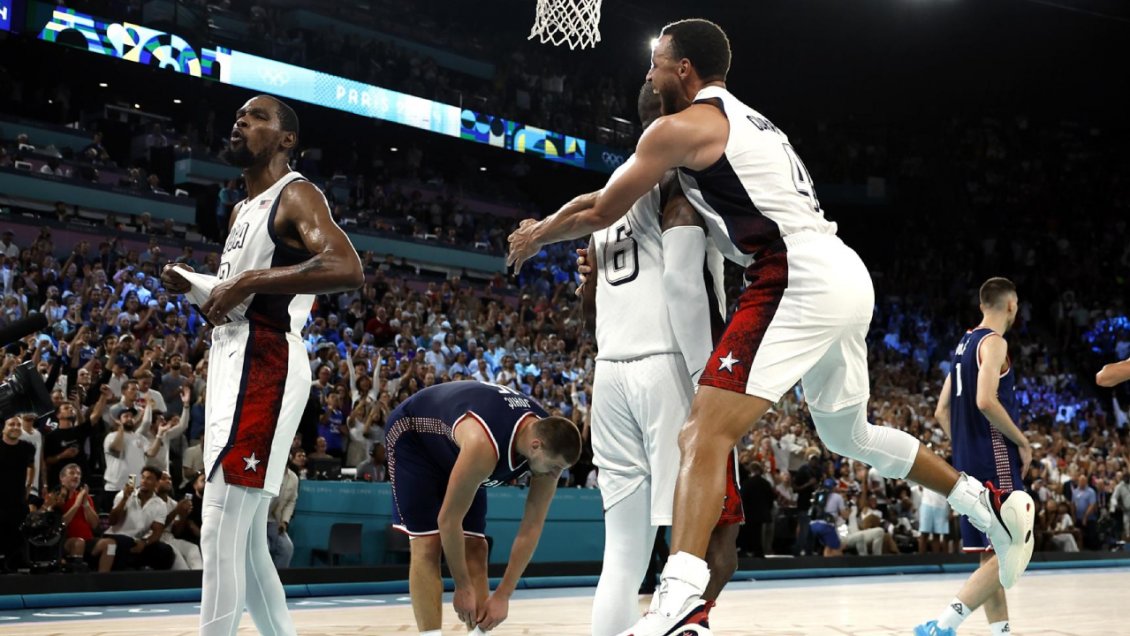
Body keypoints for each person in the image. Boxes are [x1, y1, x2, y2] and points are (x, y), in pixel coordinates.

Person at [506, 19, 1034, 635]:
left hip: (791, 274)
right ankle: (987, 503)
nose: (649, 74)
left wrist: (537, 235)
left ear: (683, 70)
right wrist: (549, 227)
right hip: (843, 271)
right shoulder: (753, 121)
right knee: (849, 434)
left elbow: (601, 207)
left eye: (657, 63)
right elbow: (602, 196)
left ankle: (680, 599)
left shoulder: (682, 128)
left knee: (701, 432)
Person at [161, 94, 363, 636]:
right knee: (247, 542)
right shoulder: (240, 210)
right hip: (235, 354)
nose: (240, 122)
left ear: (286, 139)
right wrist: (200, 285)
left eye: (256, 117)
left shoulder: (296, 193)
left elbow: (347, 266)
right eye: (237, 116)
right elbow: (242, 297)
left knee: (218, 525)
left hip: (266, 358)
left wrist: (248, 281)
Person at [574, 83, 740, 635]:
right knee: (698, 547)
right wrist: (705, 378)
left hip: (610, 370)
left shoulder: (607, 198)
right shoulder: (681, 182)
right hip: (670, 360)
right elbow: (684, 285)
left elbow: (588, 311)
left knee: (621, 557)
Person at [385, 381, 582, 635]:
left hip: (457, 448)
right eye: (555, 467)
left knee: (477, 548)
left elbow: (532, 526)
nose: (557, 475)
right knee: (428, 543)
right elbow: (448, 521)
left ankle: (478, 634)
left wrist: (504, 595)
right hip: (415, 437)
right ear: (535, 446)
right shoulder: (484, 445)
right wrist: (462, 587)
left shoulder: (548, 442)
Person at [916, 278, 1031, 636]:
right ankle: (943, 625)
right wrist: (1023, 442)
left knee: (992, 554)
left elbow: (941, 411)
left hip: (968, 462)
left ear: (982, 305)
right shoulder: (994, 343)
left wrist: (965, 448)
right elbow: (985, 400)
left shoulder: (963, 345)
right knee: (1016, 545)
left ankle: (1001, 633)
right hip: (996, 458)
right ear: (1011, 305)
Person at [92, 465, 176, 572]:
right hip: (116, 536)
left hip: (137, 540)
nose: (144, 481)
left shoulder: (160, 504)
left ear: (156, 483)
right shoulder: (123, 495)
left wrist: (145, 543)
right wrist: (124, 499)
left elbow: (157, 532)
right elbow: (112, 521)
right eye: (143, 477)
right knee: (126, 541)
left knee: (165, 550)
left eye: (149, 478)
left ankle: (154, 579)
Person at [0, 416, 35, 572]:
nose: (15, 427)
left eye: (18, 425)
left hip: (18, 498)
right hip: (1, 499)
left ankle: (18, 562)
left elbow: (31, 466)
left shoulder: (28, 447)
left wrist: (29, 486)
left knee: (19, 533)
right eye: (11, 424)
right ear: (3, 428)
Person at [267, 453, 299, 569]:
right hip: (258, 521)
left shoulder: (293, 478)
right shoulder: (265, 474)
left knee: (287, 548)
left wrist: (284, 521)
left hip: (274, 520)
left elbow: (291, 501)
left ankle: (279, 578)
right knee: (265, 548)